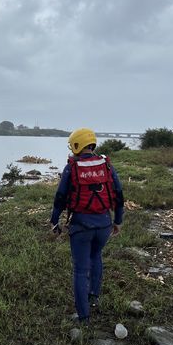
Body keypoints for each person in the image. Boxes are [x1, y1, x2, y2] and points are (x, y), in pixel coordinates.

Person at [50, 128, 124, 323]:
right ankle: (94, 296)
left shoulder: (72, 167)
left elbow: (60, 197)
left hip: (81, 226)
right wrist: (118, 221)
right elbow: (118, 194)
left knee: (81, 270)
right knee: (96, 256)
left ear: (77, 145)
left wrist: (54, 220)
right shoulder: (106, 165)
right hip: (104, 226)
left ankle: (83, 316)